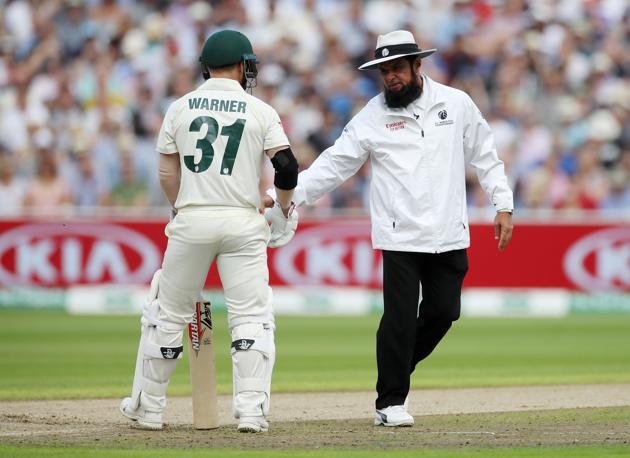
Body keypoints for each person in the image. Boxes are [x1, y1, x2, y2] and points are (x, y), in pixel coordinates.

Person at [267, 30, 514, 427]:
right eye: (384, 71)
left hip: (449, 231)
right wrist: (287, 194)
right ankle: (390, 400)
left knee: (444, 312)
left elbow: (485, 155)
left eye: (397, 68)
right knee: (398, 317)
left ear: (418, 65)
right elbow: (336, 163)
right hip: (399, 233)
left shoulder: (456, 104)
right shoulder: (373, 115)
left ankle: (396, 362)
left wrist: (502, 203)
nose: (390, 77)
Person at [119, 29, 298, 433]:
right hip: (243, 222)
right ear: (241, 65)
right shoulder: (260, 110)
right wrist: (282, 207)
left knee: (167, 315)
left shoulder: (179, 108)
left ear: (205, 67)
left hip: (192, 219)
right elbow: (287, 167)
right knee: (251, 316)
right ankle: (251, 411)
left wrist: (184, 205)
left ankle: (149, 410)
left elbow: (167, 171)